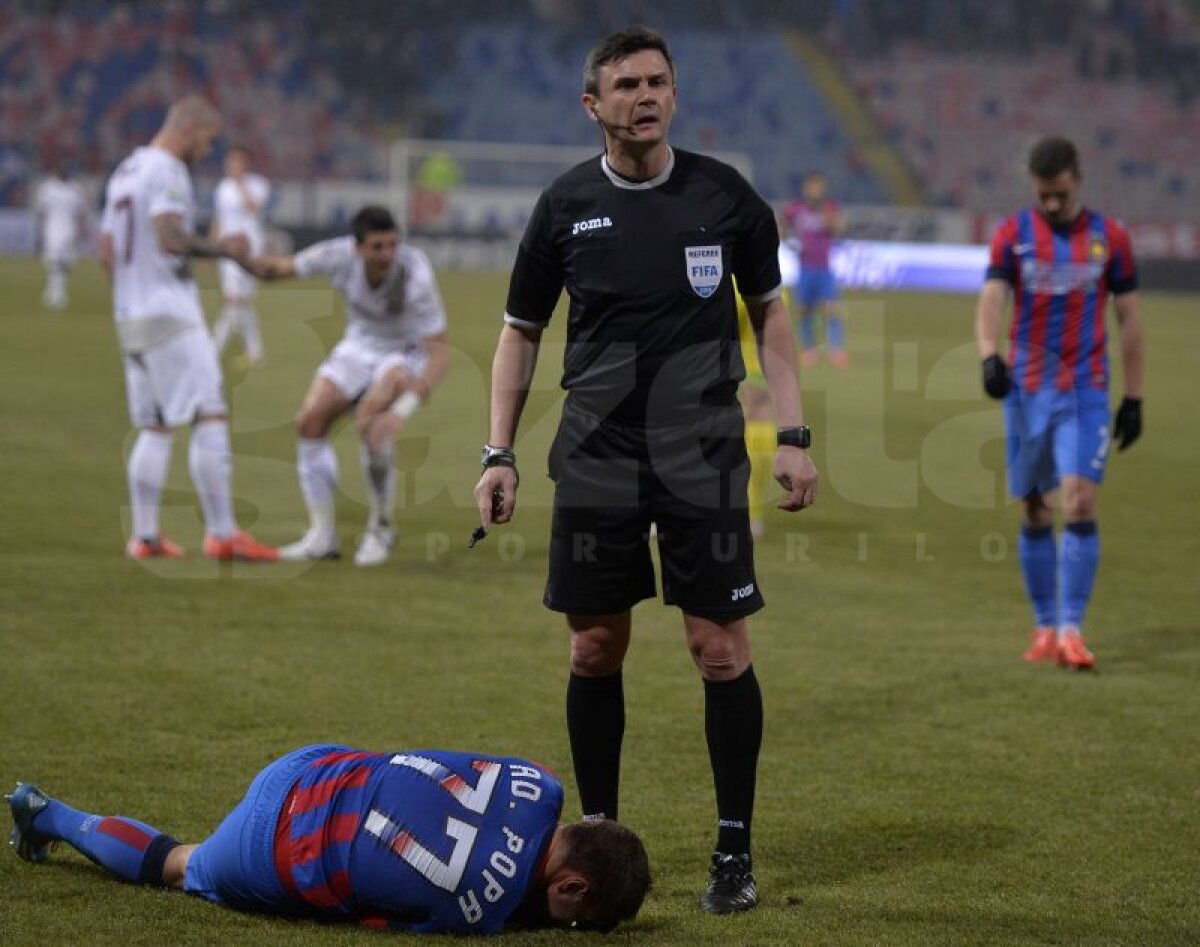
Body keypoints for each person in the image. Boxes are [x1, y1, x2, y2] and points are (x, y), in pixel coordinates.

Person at [472, 27, 818, 915]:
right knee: (594, 645)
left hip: (701, 449)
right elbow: (521, 332)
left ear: (676, 92)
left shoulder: (728, 197)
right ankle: (600, 836)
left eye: (658, 81)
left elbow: (772, 317)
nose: (646, 96)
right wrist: (498, 450)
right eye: (626, 85)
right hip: (595, 452)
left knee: (719, 649)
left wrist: (794, 431)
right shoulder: (562, 206)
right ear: (594, 106)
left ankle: (732, 852)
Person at [8, 743, 651, 934]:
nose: (564, 925)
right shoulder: (482, 914)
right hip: (273, 848)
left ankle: (45, 815)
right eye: (577, 919)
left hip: (315, 765)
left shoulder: (540, 783)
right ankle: (49, 813)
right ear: (570, 885)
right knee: (182, 863)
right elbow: (372, 917)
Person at [975, 136, 1143, 671]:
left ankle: (1072, 628)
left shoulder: (1110, 238)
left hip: (1085, 388)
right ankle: (1044, 625)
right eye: (1043, 194)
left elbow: (1130, 319)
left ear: (1078, 179)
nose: (1051, 204)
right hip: (1026, 390)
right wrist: (988, 354)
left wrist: (1134, 395)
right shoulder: (1013, 235)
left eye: (1061, 194)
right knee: (1034, 507)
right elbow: (992, 298)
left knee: (1080, 501)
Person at [98, 95, 278, 562]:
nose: (207, 151)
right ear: (190, 129)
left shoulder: (126, 170)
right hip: (169, 313)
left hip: (129, 312)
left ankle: (145, 536)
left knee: (156, 425)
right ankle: (222, 533)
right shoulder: (168, 170)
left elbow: (105, 248)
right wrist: (225, 250)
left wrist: (130, 294)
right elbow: (169, 235)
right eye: (207, 141)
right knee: (210, 412)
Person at [239, 206, 449, 567]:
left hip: (403, 353)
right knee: (309, 423)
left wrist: (400, 413)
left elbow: (440, 353)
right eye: (377, 247)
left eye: (392, 245)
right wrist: (233, 254)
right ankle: (322, 537)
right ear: (357, 248)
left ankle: (381, 526)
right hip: (358, 347)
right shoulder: (335, 255)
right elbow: (277, 270)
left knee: (371, 422)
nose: (386, 254)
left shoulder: (415, 273)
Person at [210, 146, 271, 366]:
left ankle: (215, 349)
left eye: (236, 162)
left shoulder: (258, 184)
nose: (232, 167)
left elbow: (252, 207)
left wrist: (241, 184)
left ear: (245, 164)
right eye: (229, 162)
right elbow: (219, 219)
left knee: (240, 300)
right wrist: (210, 249)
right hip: (227, 250)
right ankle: (252, 350)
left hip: (251, 249)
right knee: (235, 299)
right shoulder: (222, 188)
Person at [780, 171, 847, 367]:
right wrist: (787, 242)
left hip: (824, 268)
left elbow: (839, 228)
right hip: (805, 268)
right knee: (805, 310)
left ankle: (837, 350)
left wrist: (830, 219)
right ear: (806, 188)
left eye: (818, 187)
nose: (815, 190)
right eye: (812, 186)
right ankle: (809, 350)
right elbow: (781, 223)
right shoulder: (796, 208)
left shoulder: (829, 207)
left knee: (832, 309)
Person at [35, 159, 88, 310]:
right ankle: (59, 296)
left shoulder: (75, 189)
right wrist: (39, 232)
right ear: (55, 170)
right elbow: (41, 211)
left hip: (69, 231)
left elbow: (80, 213)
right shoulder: (47, 188)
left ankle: (51, 290)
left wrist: (82, 231)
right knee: (54, 263)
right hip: (52, 230)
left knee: (67, 264)